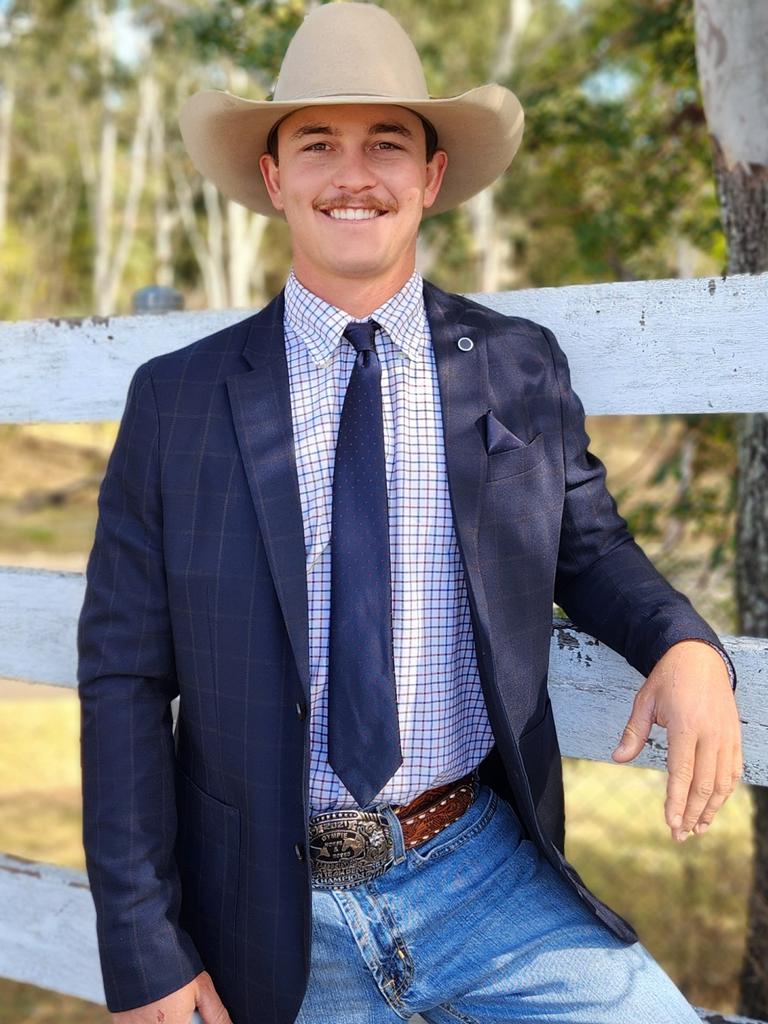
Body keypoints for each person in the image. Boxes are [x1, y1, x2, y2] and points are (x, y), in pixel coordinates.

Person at [77, 4, 743, 1023]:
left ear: (431, 177)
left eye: (387, 143)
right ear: (273, 178)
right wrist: (142, 950)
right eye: (318, 145)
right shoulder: (179, 403)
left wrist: (685, 644)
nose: (354, 174)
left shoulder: (516, 367)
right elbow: (122, 677)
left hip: (480, 872)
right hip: (264, 901)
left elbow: (591, 547)